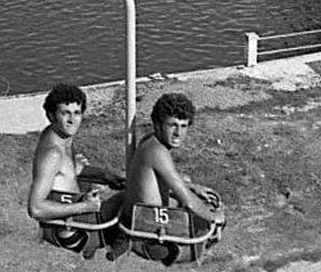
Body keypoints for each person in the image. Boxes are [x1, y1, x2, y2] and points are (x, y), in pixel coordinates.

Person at [120, 92, 225, 264]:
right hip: (148, 228)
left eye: (184, 126)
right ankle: (177, 252)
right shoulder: (158, 152)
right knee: (206, 216)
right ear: (157, 124)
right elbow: (189, 203)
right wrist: (215, 217)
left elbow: (169, 180)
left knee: (186, 180)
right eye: (173, 125)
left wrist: (193, 187)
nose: (178, 133)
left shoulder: (150, 141)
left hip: (140, 215)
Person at [27, 83, 123, 256]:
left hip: (76, 218)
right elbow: (35, 208)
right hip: (75, 230)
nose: (72, 120)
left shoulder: (58, 136)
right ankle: (117, 245)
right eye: (65, 113)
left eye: (77, 113)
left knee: (129, 187)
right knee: (134, 193)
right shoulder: (53, 154)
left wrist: (106, 176)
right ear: (51, 115)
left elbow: (70, 171)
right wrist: (84, 206)